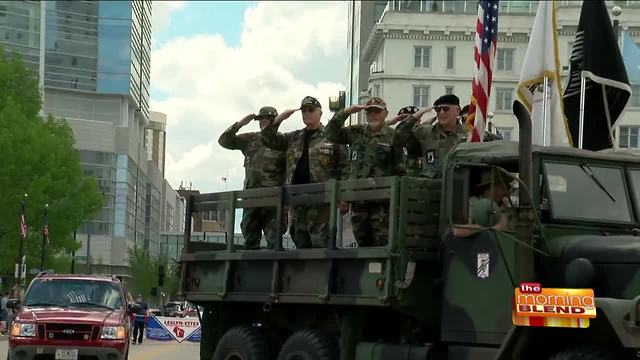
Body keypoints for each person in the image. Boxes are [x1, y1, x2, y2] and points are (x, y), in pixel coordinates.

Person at [261, 96, 349, 248]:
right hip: (297, 202)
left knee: (321, 244)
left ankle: (324, 272)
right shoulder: (294, 137)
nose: (306, 114)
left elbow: (346, 168)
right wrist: (280, 118)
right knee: (300, 242)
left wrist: (345, 198)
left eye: (311, 110)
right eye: (303, 111)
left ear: (320, 113)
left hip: (323, 201)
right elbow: (266, 138)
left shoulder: (332, 136)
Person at [325, 97, 404, 247]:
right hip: (359, 201)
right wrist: (346, 112)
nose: (373, 115)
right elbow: (329, 133)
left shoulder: (393, 136)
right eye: (369, 112)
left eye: (377, 111)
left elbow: (400, 168)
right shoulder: (356, 132)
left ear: (385, 113)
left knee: (383, 244)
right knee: (362, 244)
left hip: (383, 203)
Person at [218, 106, 287, 250]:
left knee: (275, 242)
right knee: (250, 240)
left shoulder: (282, 140)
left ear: (275, 121)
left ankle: (277, 271)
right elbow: (224, 141)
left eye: (267, 119)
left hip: (273, 199)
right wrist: (239, 125)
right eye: (261, 119)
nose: (263, 122)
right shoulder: (251, 139)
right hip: (251, 197)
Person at [395, 94, 468, 179]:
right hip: (430, 187)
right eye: (438, 110)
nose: (441, 113)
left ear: (457, 110)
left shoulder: (468, 135)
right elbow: (397, 137)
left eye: (445, 109)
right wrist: (415, 116)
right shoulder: (425, 132)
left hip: (458, 185)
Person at [452, 169, 514, 238]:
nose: (508, 189)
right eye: (504, 185)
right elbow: (458, 230)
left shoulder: (504, 207)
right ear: (493, 187)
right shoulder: (471, 204)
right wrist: (491, 227)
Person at [386, 106, 424, 177]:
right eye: (405, 120)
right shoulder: (394, 137)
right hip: (401, 179)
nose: (410, 123)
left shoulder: (425, 136)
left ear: (419, 121)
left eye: (413, 119)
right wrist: (388, 122)